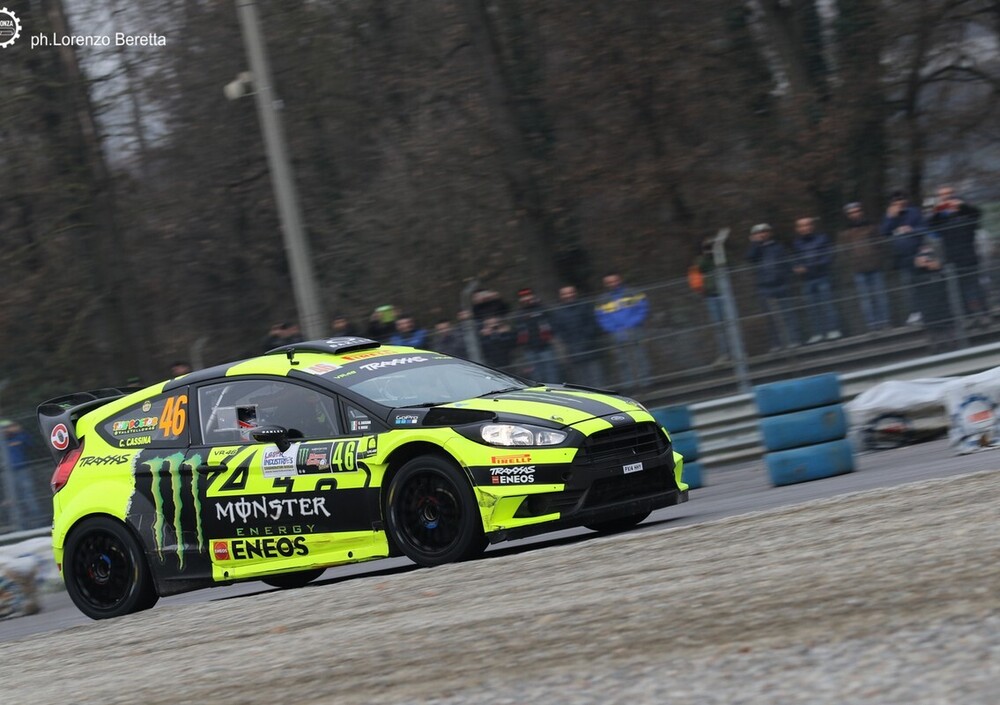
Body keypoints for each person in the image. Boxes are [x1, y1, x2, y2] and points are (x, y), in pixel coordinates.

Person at [928, 186, 988, 327]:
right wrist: (938, 210)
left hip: (970, 257)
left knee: (976, 288)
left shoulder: (965, 211)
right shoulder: (942, 217)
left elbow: (977, 213)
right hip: (953, 259)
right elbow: (931, 224)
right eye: (942, 195)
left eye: (948, 194)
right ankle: (968, 318)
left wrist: (961, 206)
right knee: (959, 290)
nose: (946, 197)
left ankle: (984, 315)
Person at [746, 223, 800, 351]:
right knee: (770, 317)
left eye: (764, 231)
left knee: (788, 313)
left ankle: (793, 339)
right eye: (758, 233)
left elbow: (787, 262)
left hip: (781, 284)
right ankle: (776, 343)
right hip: (764, 287)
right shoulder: (755, 249)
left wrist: (789, 274)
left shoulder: (778, 247)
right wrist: (755, 244)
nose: (762, 234)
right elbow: (750, 258)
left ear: (770, 233)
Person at [840, 202, 890, 333]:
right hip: (858, 269)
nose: (855, 214)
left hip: (874, 266)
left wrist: (877, 259)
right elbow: (845, 252)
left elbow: (880, 244)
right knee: (865, 299)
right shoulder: (846, 233)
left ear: (861, 211)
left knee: (880, 296)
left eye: (856, 211)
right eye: (851, 213)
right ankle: (872, 325)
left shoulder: (871, 227)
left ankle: (884, 322)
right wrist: (853, 262)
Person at [594, 273, 650, 390]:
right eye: (609, 282)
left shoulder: (633, 293)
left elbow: (643, 309)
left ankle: (645, 383)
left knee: (640, 357)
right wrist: (613, 328)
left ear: (620, 280)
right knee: (623, 361)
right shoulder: (602, 300)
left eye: (614, 281)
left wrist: (633, 323)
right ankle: (629, 385)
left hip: (635, 329)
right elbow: (601, 317)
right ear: (605, 284)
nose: (612, 284)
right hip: (616, 333)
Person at [792, 217, 841, 343]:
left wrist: (808, 267)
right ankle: (817, 332)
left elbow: (829, 257)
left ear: (812, 226)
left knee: (828, 304)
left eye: (807, 225)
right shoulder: (797, 243)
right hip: (807, 280)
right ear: (798, 229)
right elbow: (796, 260)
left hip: (822, 276)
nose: (805, 228)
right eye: (801, 226)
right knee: (812, 308)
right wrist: (796, 267)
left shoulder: (822, 238)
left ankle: (833, 330)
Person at [880, 191, 925, 326]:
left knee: (921, 283)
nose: (899, 204)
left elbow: (923, 228)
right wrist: (891, 218)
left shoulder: (913, 212)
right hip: (901, 257)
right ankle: (914, 312)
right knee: (908, 285)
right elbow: (884, 232)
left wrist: (911, 230)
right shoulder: (890, 215)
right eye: (895, 202)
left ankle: (923, 310)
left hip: (916, 253)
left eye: (901, 201)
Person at [549, 285, 605, 388]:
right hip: (572, 350)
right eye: (565, 294)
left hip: (590, 346)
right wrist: (569, 343)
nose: (568, 295)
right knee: (581, 381)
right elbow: (559, 330)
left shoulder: (585, 305)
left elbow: (593, 323)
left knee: (597, 377)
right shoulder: (558, 312)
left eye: (570, 292)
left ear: (575, 293)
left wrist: (587, 338)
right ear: (560, 296)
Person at [689, 236, 730, 362]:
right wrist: (707, 255)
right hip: (711, 295)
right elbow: (699, 269)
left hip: (725, 294)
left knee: (731, 323)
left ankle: (736, 350)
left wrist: (717, 250)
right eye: (706, 246)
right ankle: (724, 353)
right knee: (719, 326)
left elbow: (726, 264)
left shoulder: (719, 256)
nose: (709, 248)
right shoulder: (700, 260)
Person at [912, 232, 951, 352]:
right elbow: (914, 278)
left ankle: (948, 344)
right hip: (928, 305)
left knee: (946, 329)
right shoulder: (917, 270)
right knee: (932, 331)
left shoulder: (938, 255)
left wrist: (937, 266)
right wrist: (920, 266)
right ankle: (935, 346)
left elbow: (943, 270)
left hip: (942, 303)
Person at [0, 420, 42, 529]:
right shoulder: (2, 441)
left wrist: (19, 431)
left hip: (23, 470)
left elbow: (30, 443)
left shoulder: (19, 437)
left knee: (28, 495)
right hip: (7, 474)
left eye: (8, 427)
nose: (6, 430)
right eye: (4, 428)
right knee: (13, 498)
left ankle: (38, 521)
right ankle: (20, 524)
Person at [513, 288, 560, 383]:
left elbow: (554, 324)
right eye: (523, 297)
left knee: (551, 372)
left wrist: (550, 337)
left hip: (545, 346)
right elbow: (517, 332)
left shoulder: (543, 309)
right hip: (529, 349)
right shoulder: (519, 315)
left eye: (528, 295)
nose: (526, 298)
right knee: (536, 375)